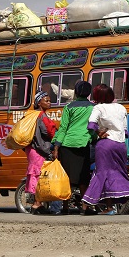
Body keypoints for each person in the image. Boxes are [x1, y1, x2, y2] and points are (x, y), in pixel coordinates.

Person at [81, 84, 129, 215]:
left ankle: (108, 208)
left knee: (103, 174)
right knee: (121, 173)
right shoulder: (121, 107)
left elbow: (91, 124)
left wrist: (99, 132)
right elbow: (125, 130)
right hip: (120, 145)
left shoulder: (98, 108)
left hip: (106, 144)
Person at [52, 81, 96, 215]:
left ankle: (65, 207)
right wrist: (94, 139)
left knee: (66, 178)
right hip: (83, 144)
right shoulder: (93, 107)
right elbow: (93, 127)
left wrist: (56, 147)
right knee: (83, 178)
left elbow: (63, 128)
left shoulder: (69, 107)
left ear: (76, 92)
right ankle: (85, 207)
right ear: (89, 93)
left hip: (67, 145)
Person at [25, 91, 58, 215]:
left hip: (32, 149)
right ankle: (36, 204)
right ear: (39, 103)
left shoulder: (33, 115)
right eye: (46, 100)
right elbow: (48, 131)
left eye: (49, 100)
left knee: (36, 174)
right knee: (38, 175)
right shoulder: (41, 115)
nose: (49, 103)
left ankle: (38, 203)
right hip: (39, 149)